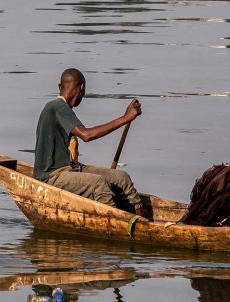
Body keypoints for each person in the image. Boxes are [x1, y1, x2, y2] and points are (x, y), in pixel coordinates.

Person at [33, 68, 148, 217]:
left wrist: (126, 117)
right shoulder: (58, 107)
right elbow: (86, 135)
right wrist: (125, 118)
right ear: (81, 89)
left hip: (71, 169)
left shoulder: (61, 108)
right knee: (99, 184)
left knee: (121, 177)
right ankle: (116, 221)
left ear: (59, 86)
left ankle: (142, 220)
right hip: (51, 176)